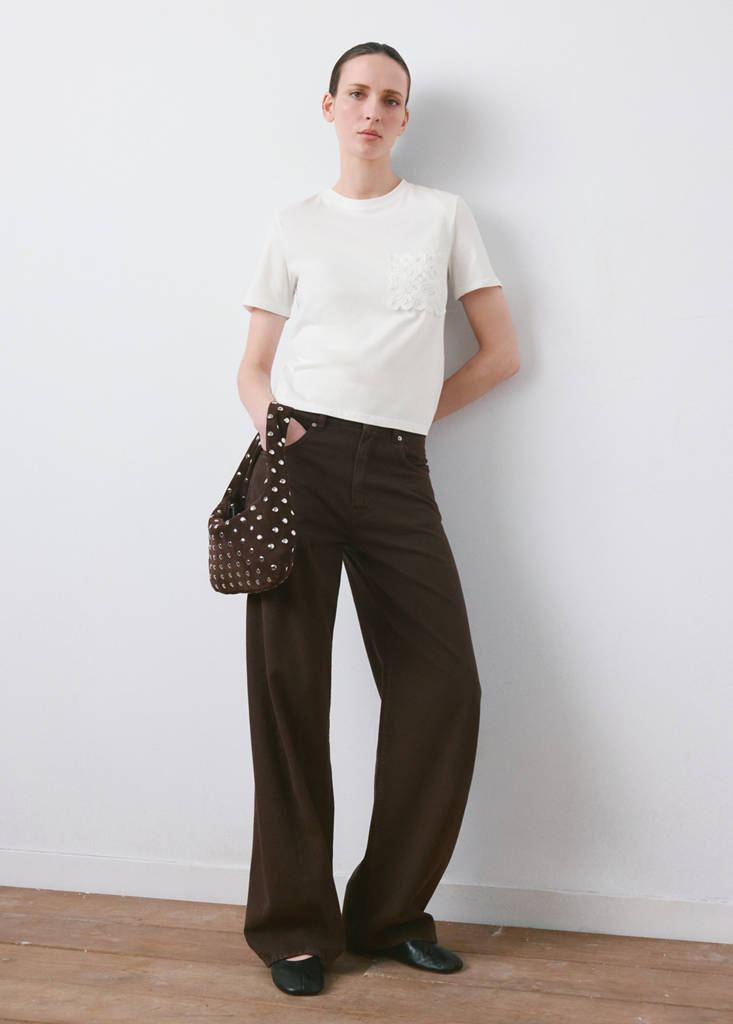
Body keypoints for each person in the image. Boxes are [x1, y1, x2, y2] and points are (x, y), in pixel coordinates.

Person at [236, 41, 520, 996]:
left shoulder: (442, 216)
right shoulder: (293, 225)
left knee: (444, 685)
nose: (372, 110)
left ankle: (388, 913)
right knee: (288, 694)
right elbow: (252, 366)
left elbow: (500, 353)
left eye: (389, 99)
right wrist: (274, 430)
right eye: (356, 93)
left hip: (397, 470)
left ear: (404, 117)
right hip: (298, 463)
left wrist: (406, 421)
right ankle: (294, 929)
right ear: (328, 107)